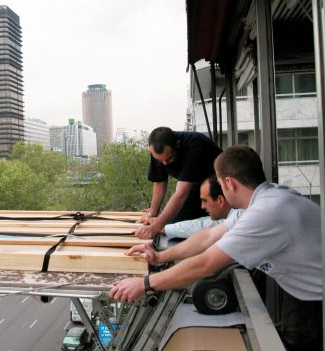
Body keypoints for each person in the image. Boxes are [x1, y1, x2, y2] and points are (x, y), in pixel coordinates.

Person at [110, 145, 322, 350]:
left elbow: (206, 263)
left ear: (229, 183)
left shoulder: (267, 212)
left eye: (219, 183)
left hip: (316, 291)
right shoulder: (261, 202)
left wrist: (145, 284)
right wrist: (159, 257)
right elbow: (208, 236)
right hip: (302, 287)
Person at [136, 127, 222, 239]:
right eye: (160, 161)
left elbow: (181, 193)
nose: (165, 164)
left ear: (177, 144)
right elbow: (159, 182)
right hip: (194, 187)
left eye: (168, 158)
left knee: (175, 226)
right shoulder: (158, 151)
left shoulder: (195, 145)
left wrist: (156, 226)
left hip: (218, 187)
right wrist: (152, 213)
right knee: (169, 223)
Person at [163, 173, 242, 240]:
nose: (202, 206)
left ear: (220, 200)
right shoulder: (232, 217)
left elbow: (204, 232)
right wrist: (163, 227)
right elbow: (200, 225)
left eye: (205, 201)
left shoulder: (238, 222)